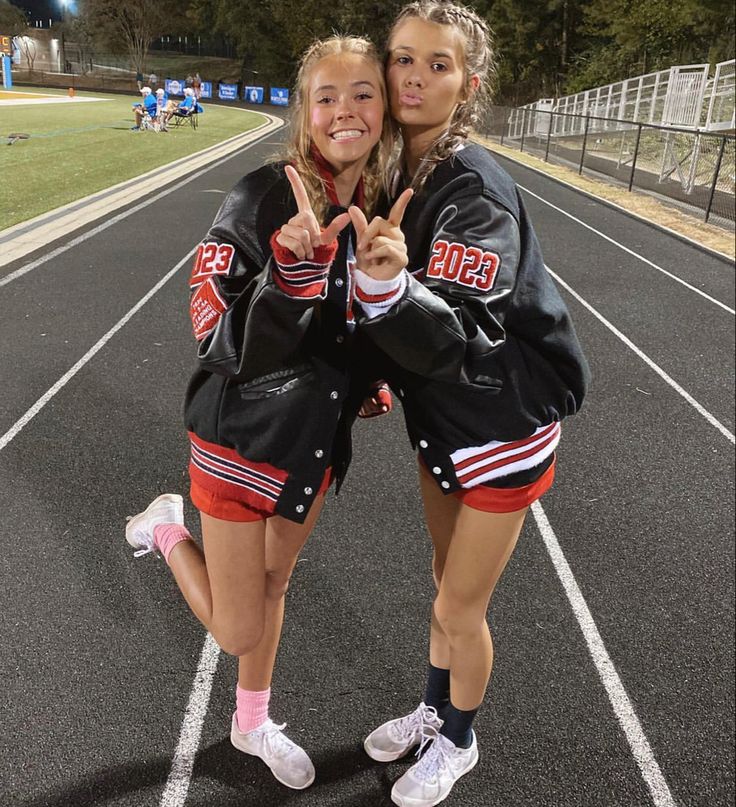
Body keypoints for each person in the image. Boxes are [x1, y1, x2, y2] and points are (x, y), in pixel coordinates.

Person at [124, 35, 398, 790]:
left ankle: (250, 722)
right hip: (239, 437)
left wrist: (367, 379)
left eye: (363, 92)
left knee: (276, 586)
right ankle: (166, 527)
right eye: (327, 96)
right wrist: (288, 272)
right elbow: (213, 331)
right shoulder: (258, 195)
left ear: (385, 106)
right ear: (304, 112)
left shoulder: (373, 200)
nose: (346, 108)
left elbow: (348, 324)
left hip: (311, 442)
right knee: (239, 623)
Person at [349, 3, 590, 805]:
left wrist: (386, 289)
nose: (414, 77)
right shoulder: (401, 169)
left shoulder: (475, 185)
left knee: (462, 602)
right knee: (441, 580)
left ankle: (460, 738)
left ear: (468, 84)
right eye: (403, 58)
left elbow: (455, 332)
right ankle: (431, 707)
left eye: (438, 64)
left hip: (500, 422)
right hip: (446, 416)